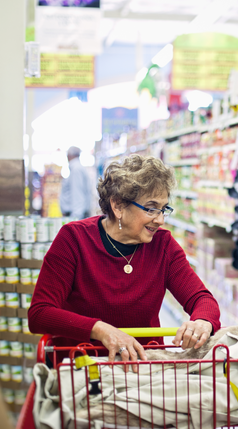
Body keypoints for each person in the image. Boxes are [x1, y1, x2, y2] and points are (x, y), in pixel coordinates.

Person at [28, 155, 220, 370]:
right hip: (82, 367)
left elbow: (201, 298)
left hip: (141, 369)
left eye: (164, 208)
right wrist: (102, 330)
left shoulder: (163, 245)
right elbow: (40, 313)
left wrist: (202, 321)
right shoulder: (74, 239)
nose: (160, 219)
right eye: (151, 208)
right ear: (118, 206)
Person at [60, 146, 92, 218]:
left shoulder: (76, 170)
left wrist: (75, 219)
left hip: (75, 215)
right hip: (76, 214)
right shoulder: (77, 168)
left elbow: (77, 194)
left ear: (69, 156)